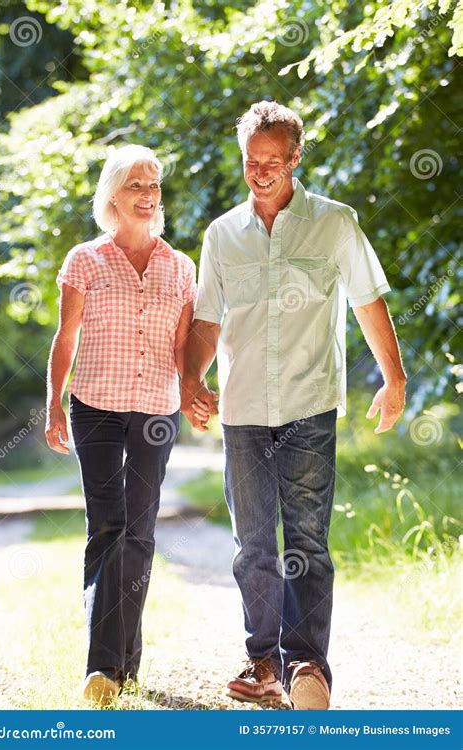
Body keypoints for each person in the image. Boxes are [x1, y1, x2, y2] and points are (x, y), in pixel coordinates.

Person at [181, 101, 406, 710]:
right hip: (244, 410)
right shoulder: (222, 234)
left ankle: (308, 663)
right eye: (252, 161)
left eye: (272, 162)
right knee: (252, 546)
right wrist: (190, 381)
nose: (260, 172)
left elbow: (367, 301)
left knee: (307, 541)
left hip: (310, 405)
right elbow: (205, 320)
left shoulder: (334, 223)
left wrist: (395, 378)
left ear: (296, 157)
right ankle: (262, 662)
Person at [45, 144, 196, 706]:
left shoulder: (181, 268)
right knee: (108, 526)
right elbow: (66, 337)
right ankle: (103, 666)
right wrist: (54, 404)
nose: (148, 194)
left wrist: (197, 394)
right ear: (112, 194)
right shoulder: (85, 260)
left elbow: (184, 348)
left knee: (140, 531)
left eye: (154, 185)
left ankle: (125, 668)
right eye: (136, 184)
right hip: (96, 407)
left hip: (157, 411)